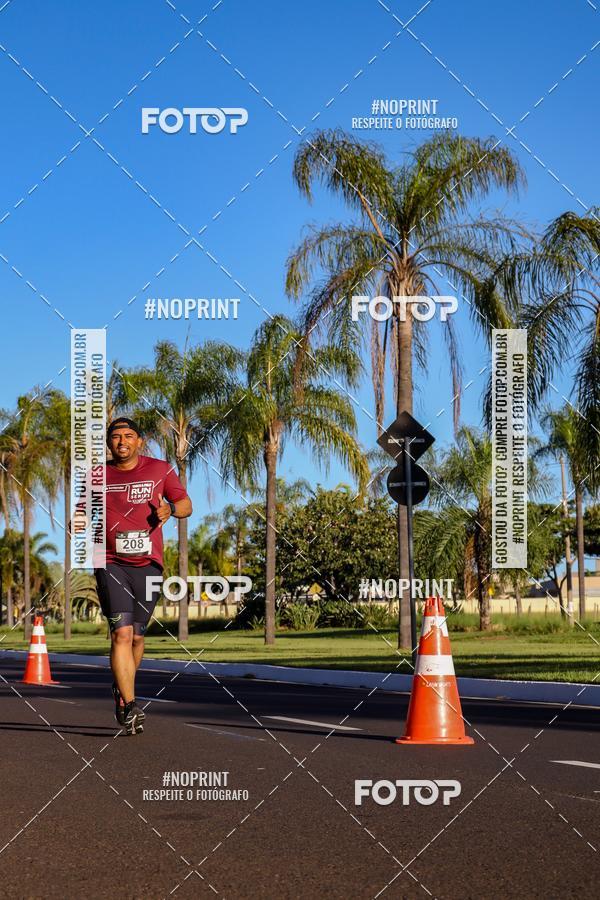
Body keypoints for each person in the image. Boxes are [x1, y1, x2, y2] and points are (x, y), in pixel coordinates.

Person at [94, 417, 192, 735]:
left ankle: (120, 687)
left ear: (139, 441)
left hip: (149, 565)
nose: (122, 441)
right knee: (121, 634)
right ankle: (130, 703)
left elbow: (186, 504)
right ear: (109, 443)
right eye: (116, 436)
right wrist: (77, 520)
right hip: (110, 561)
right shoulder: (97, 475)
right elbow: (83, 510)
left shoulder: (159, 469)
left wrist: (170, 510)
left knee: (137, 636)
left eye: (128, 436)